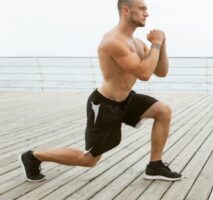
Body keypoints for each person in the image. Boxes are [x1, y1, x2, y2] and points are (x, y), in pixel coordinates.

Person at [19, 0, 182, 182]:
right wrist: (156, 44)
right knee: (89, 159)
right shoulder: (113, 41)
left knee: (163, 111)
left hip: (127, 99)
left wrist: (162, 44)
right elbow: (144, 73)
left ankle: (155, 166)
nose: (147, 13)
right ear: (126, 10)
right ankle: (33, 156)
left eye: (147, 9)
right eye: (142, 8)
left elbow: (161, 72)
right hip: (104, 105)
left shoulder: (137, 43)